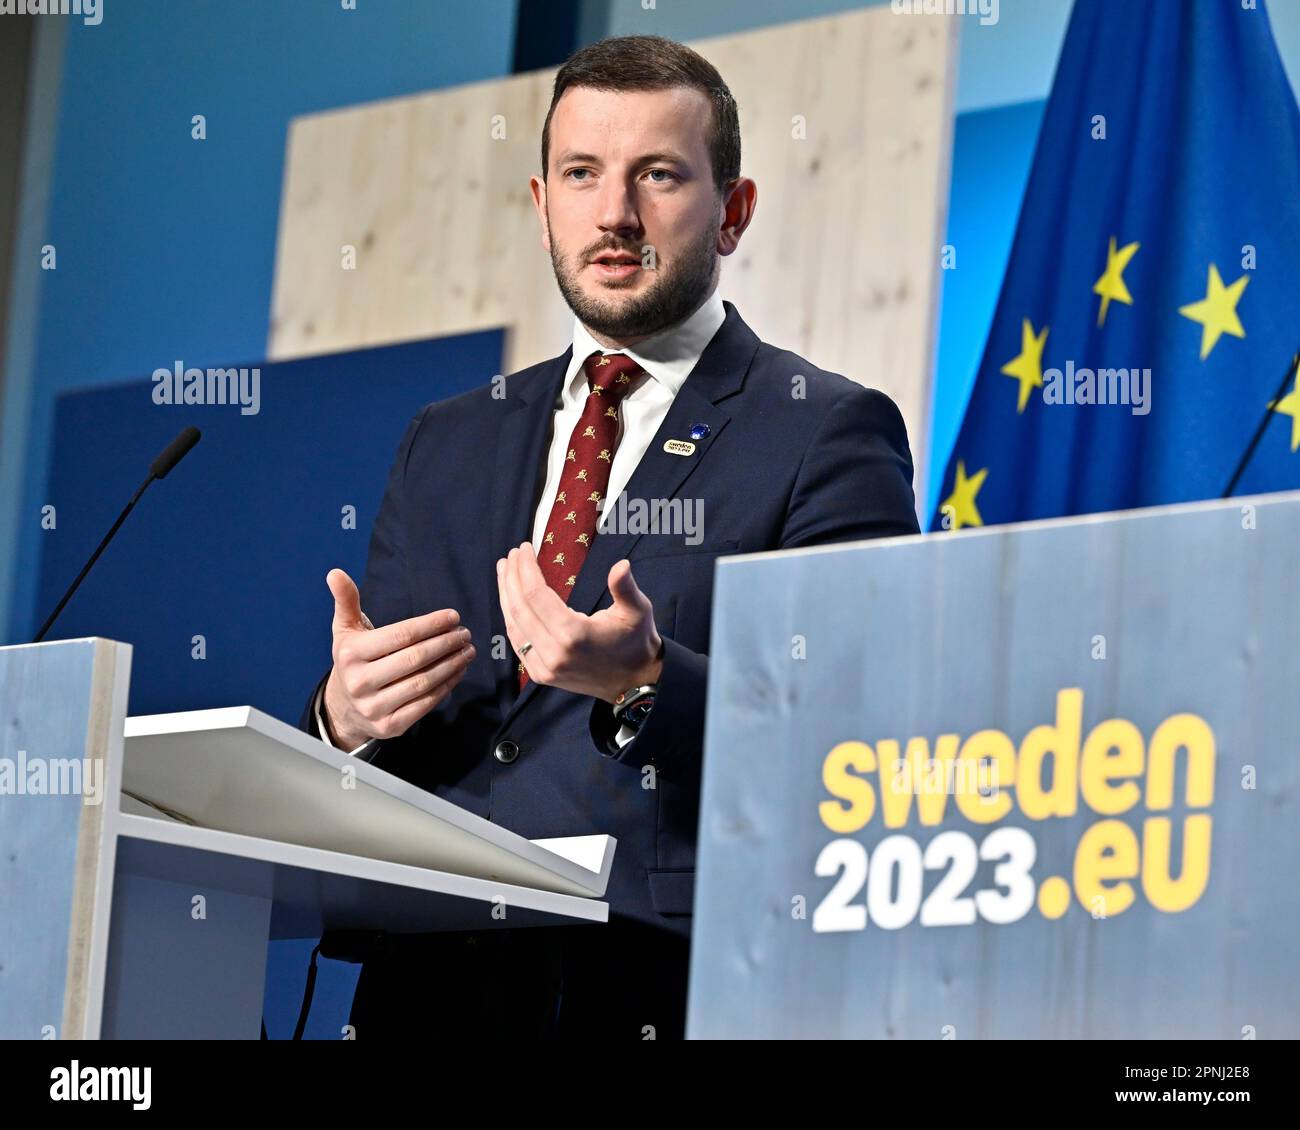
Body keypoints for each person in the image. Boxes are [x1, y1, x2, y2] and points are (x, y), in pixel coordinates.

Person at [299, 33, 920, 1040]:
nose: (615, 213)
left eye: (659, 175)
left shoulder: (822, 429)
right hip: (423, 993)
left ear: (734, 211)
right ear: (543, 205)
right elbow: (392, 734)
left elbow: (860, 743)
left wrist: (645, 683)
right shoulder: (445, 439)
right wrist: (343, 714)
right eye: (583, 174)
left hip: (660, 989)